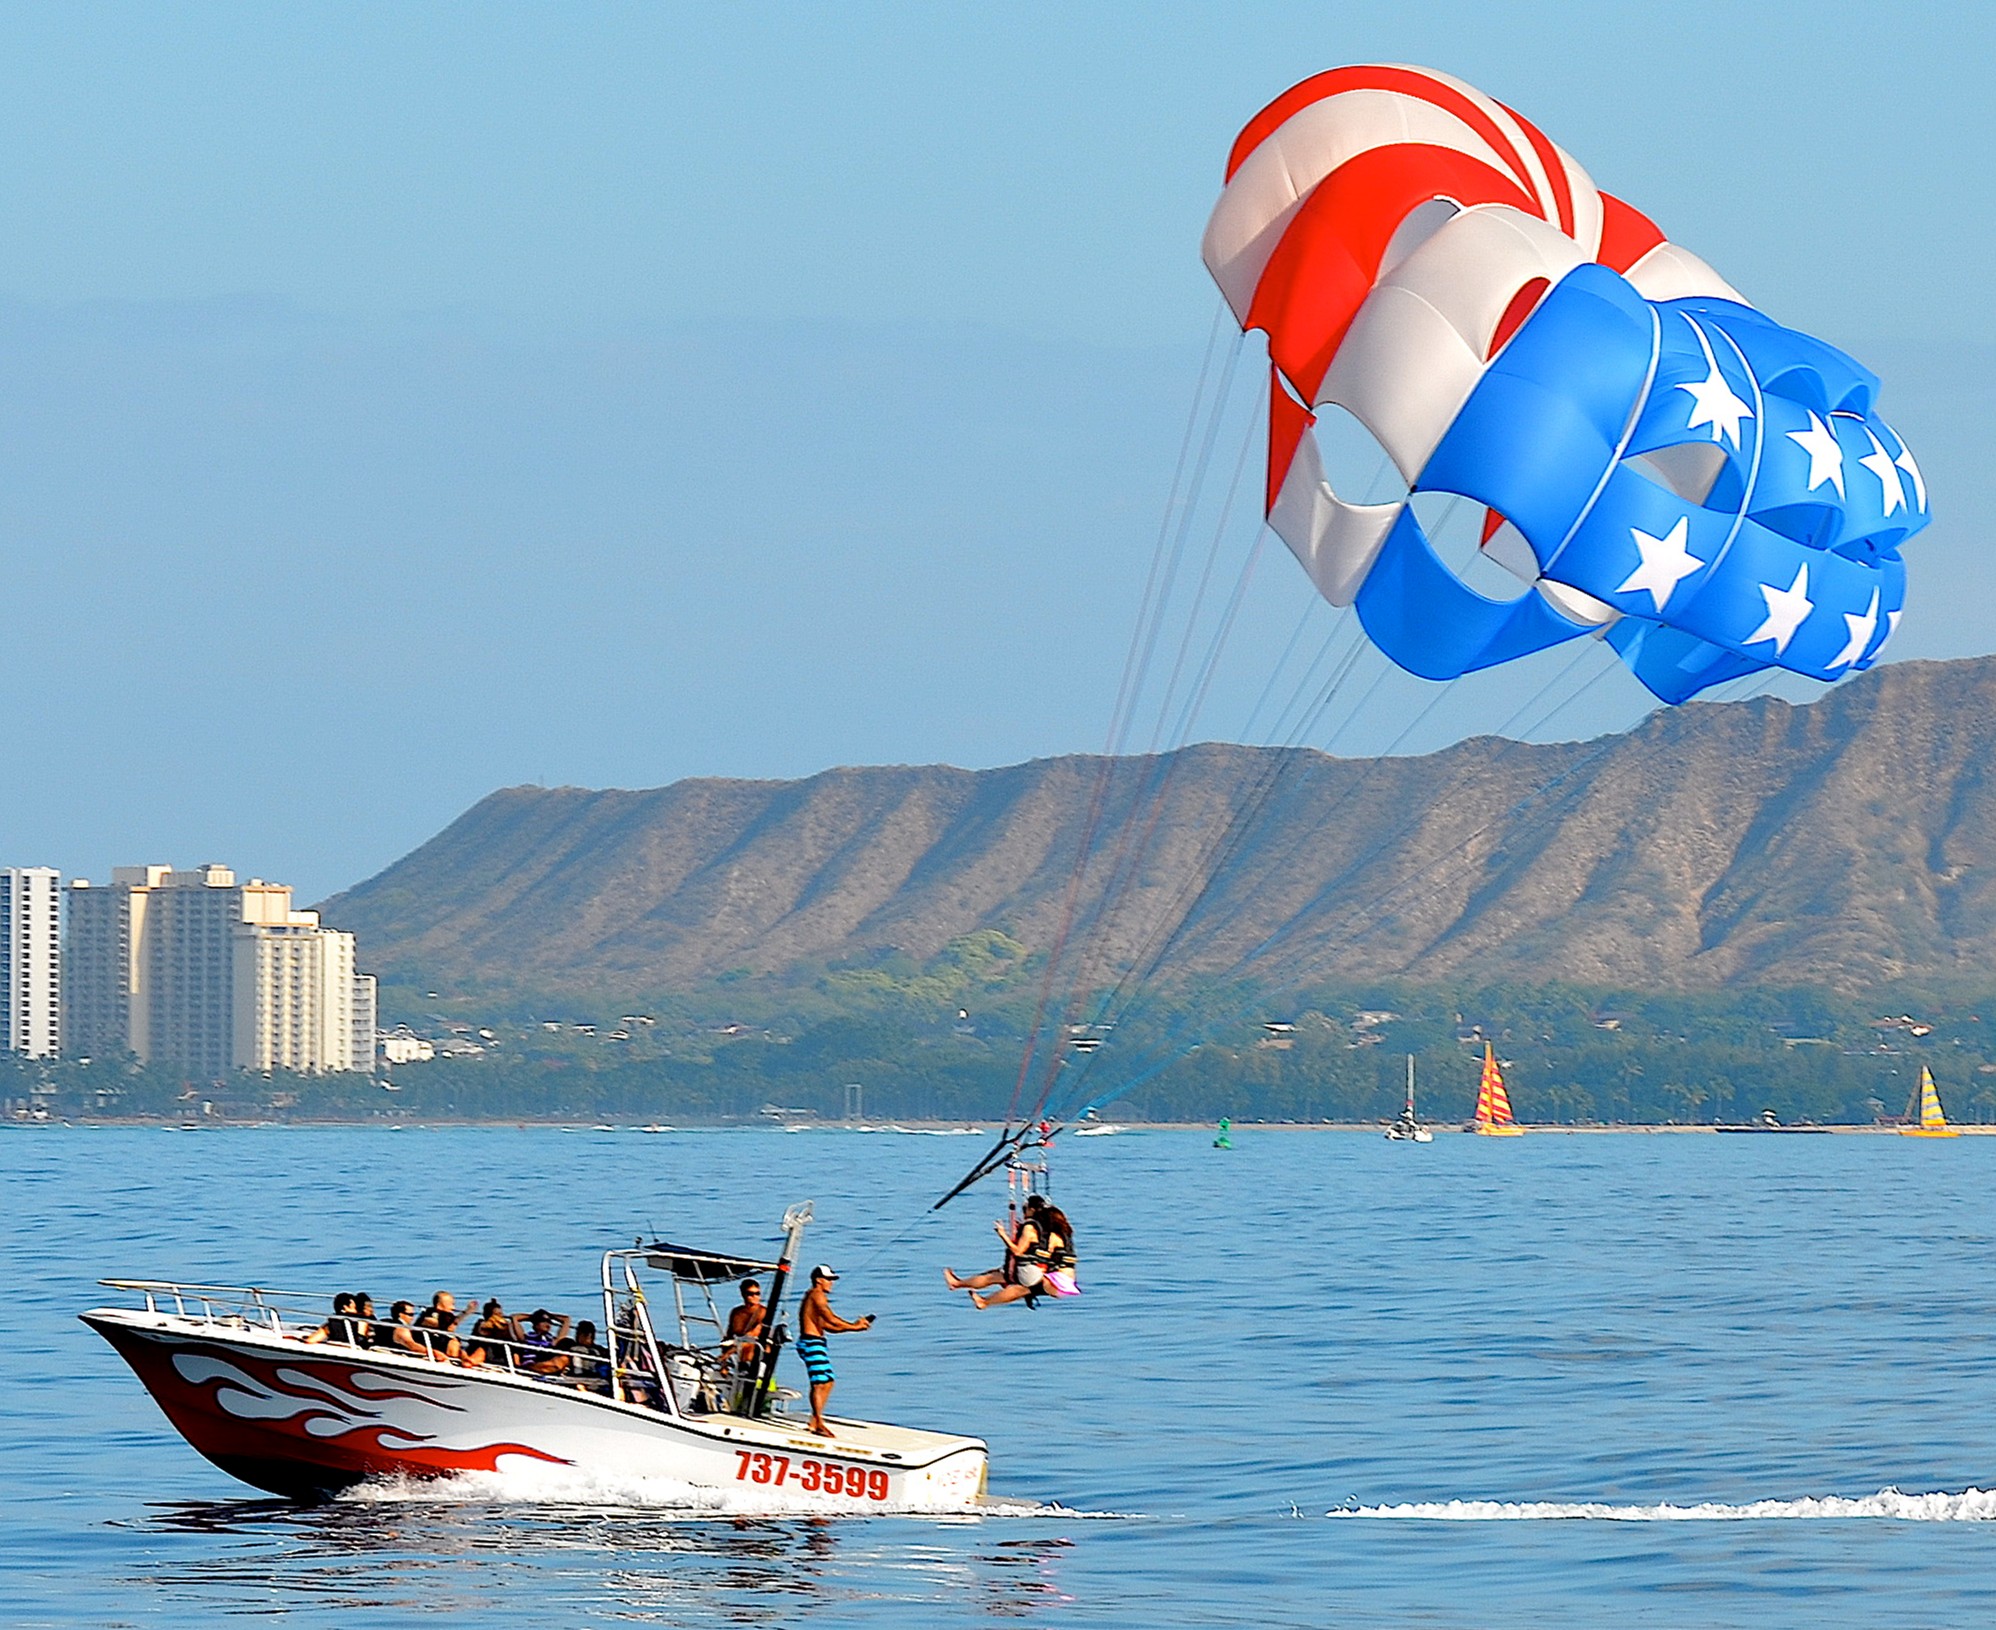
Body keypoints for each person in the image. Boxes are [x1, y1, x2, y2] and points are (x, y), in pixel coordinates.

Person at [795, 1264, 874, 1438]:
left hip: (816, 1342)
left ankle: (815, 1421)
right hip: (811, 1343)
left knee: (828, 1381)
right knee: (819, 1382)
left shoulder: (814, 1297)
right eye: (829, 1280)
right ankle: (818, 1423)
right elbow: (831, 1318)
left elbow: (828, 1326)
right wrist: (854, 1326)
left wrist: (854, 1328)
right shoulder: (817, 1296)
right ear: (819, 1280)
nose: (831, 1283)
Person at [944, 1195, 1047, 1307]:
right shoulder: (1043, 1226)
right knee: (995, 1276)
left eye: (1025, 1208)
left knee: (993, 1277)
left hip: (1027, 1270)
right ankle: (962, 1286)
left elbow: (1018, 1251)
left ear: (1031, 1210)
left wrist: (1002, 1234)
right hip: (1036, 1269)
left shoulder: (1030, 1228)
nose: (1024, 1211)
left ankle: (961, 1286)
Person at [555, 1320, 611, 1392]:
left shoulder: (599, 1350)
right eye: (584, 1334)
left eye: (590, 1335)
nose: (587, 1337)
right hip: (573, 1378)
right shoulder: (568, 1344)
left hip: (594, 1379)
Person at [723, 1279, 767, 1371]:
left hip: (757, 1358)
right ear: (743, 1294)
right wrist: (725, 1363)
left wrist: (728, 1354)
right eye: (751, 1294)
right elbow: (728, 1336)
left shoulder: (763, 1312)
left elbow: (753, 1334)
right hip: (738, 1358)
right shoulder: (736, 1312)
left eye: (757, 1293)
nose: (755, 1297)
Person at [469, 1299, 518, 1368]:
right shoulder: (482, 1325)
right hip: (489, 1352)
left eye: (501, 1314)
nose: (501, 1316)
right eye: (497, 1314)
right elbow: (481, 1336)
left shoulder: (505, 1325)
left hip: (502, 1352)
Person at [520, 1308, 571, 1375]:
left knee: (564, 1358)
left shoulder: (550, 1339)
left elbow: (566, 1319)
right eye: (543, 1321)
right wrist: (533, 1317)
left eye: (549, 1321)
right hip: (532, 1364)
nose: (547, 1324)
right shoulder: (527, 1337)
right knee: (556, 1364)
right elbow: (515, 1317)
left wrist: (550, 1315)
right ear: (536, 1324)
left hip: (547, 1362)